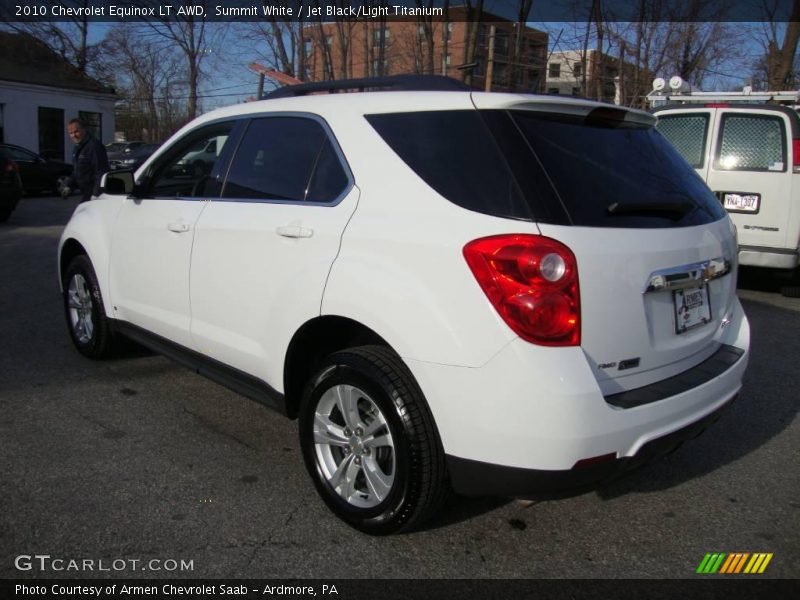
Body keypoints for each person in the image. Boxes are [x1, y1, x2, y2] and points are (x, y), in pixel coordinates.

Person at [62, 118, 109, 203]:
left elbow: (101, 171)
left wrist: (96, 195)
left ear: (84, 129)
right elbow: (77, 170)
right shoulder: (78, 147)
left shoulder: (93, 147)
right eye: (71, 133)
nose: (73, 135)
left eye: (76, 131)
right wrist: (69, 185)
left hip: (95, 194)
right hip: (86, 192)